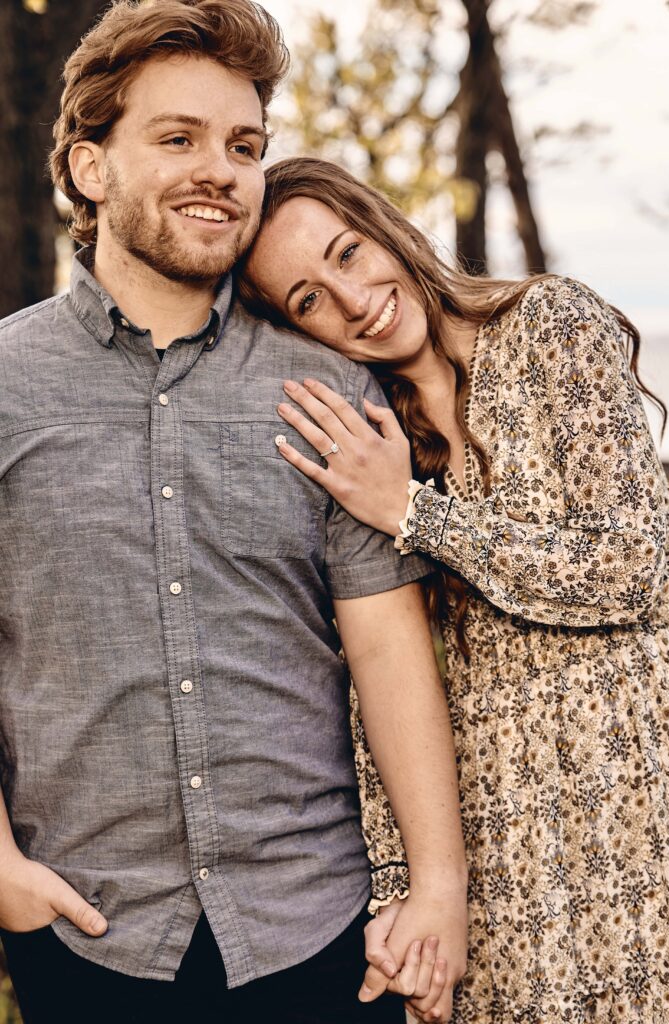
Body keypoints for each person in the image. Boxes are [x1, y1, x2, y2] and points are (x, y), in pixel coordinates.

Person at [0, 7, 468, 1023]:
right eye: (178, 139)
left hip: (322, 931)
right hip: (88, 936)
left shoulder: (331, 387)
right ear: (90, 169)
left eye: (244, 146)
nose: (220, 169)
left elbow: (389, 647)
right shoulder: (5, 383)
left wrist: (437, 888)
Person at [240, 156, 669, 1023]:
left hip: (645, 810)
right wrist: (402, 890)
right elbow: (376, 679)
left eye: (347, 253)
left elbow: (636, 567)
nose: (352, 298)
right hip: (505, 854)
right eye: (307, 301)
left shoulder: (552, 326)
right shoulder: (369, 437)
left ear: (386, 231)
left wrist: (418, 514)